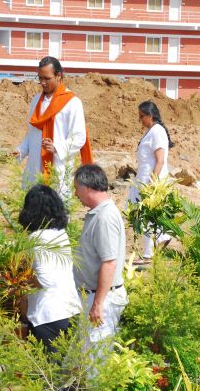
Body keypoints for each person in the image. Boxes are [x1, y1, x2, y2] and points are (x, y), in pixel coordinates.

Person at [15, 56, 93, 199]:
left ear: (58, 76)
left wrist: (56, 147)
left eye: (47, 78)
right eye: (40, 78)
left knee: (57, 208)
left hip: (57, 169)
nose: (43, 83)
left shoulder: (72, 102)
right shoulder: (36, 100)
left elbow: (79, 137)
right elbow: (32, 135)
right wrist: (19, 152)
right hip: (34, 169)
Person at [18, 184, 81, 353]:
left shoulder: (36, 238)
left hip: (47, 316)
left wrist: (21, 285)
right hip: (70, 310)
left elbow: (45, 279)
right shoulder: (61, 234)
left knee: (45, 368)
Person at [73, 165, 128, 346]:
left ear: (87, 187)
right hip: (94, 296)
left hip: (102, 299)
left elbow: (109, 263)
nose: (75, 194)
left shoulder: (105, 217)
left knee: (96, 357)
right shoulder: (98, 214)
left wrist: (98, 304)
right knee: (86, 356)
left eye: (76, 188)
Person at [128, 100, 174, 262]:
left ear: (150, 115)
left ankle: (152, 250)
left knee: (144, 215)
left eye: (142, 116)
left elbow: (160, 160)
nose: (140, 120)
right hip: (143, 179)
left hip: (150, 181)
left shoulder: (157, 131)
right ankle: (159, 241)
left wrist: (152, 184)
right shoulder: (152, 131)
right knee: (142, 215)